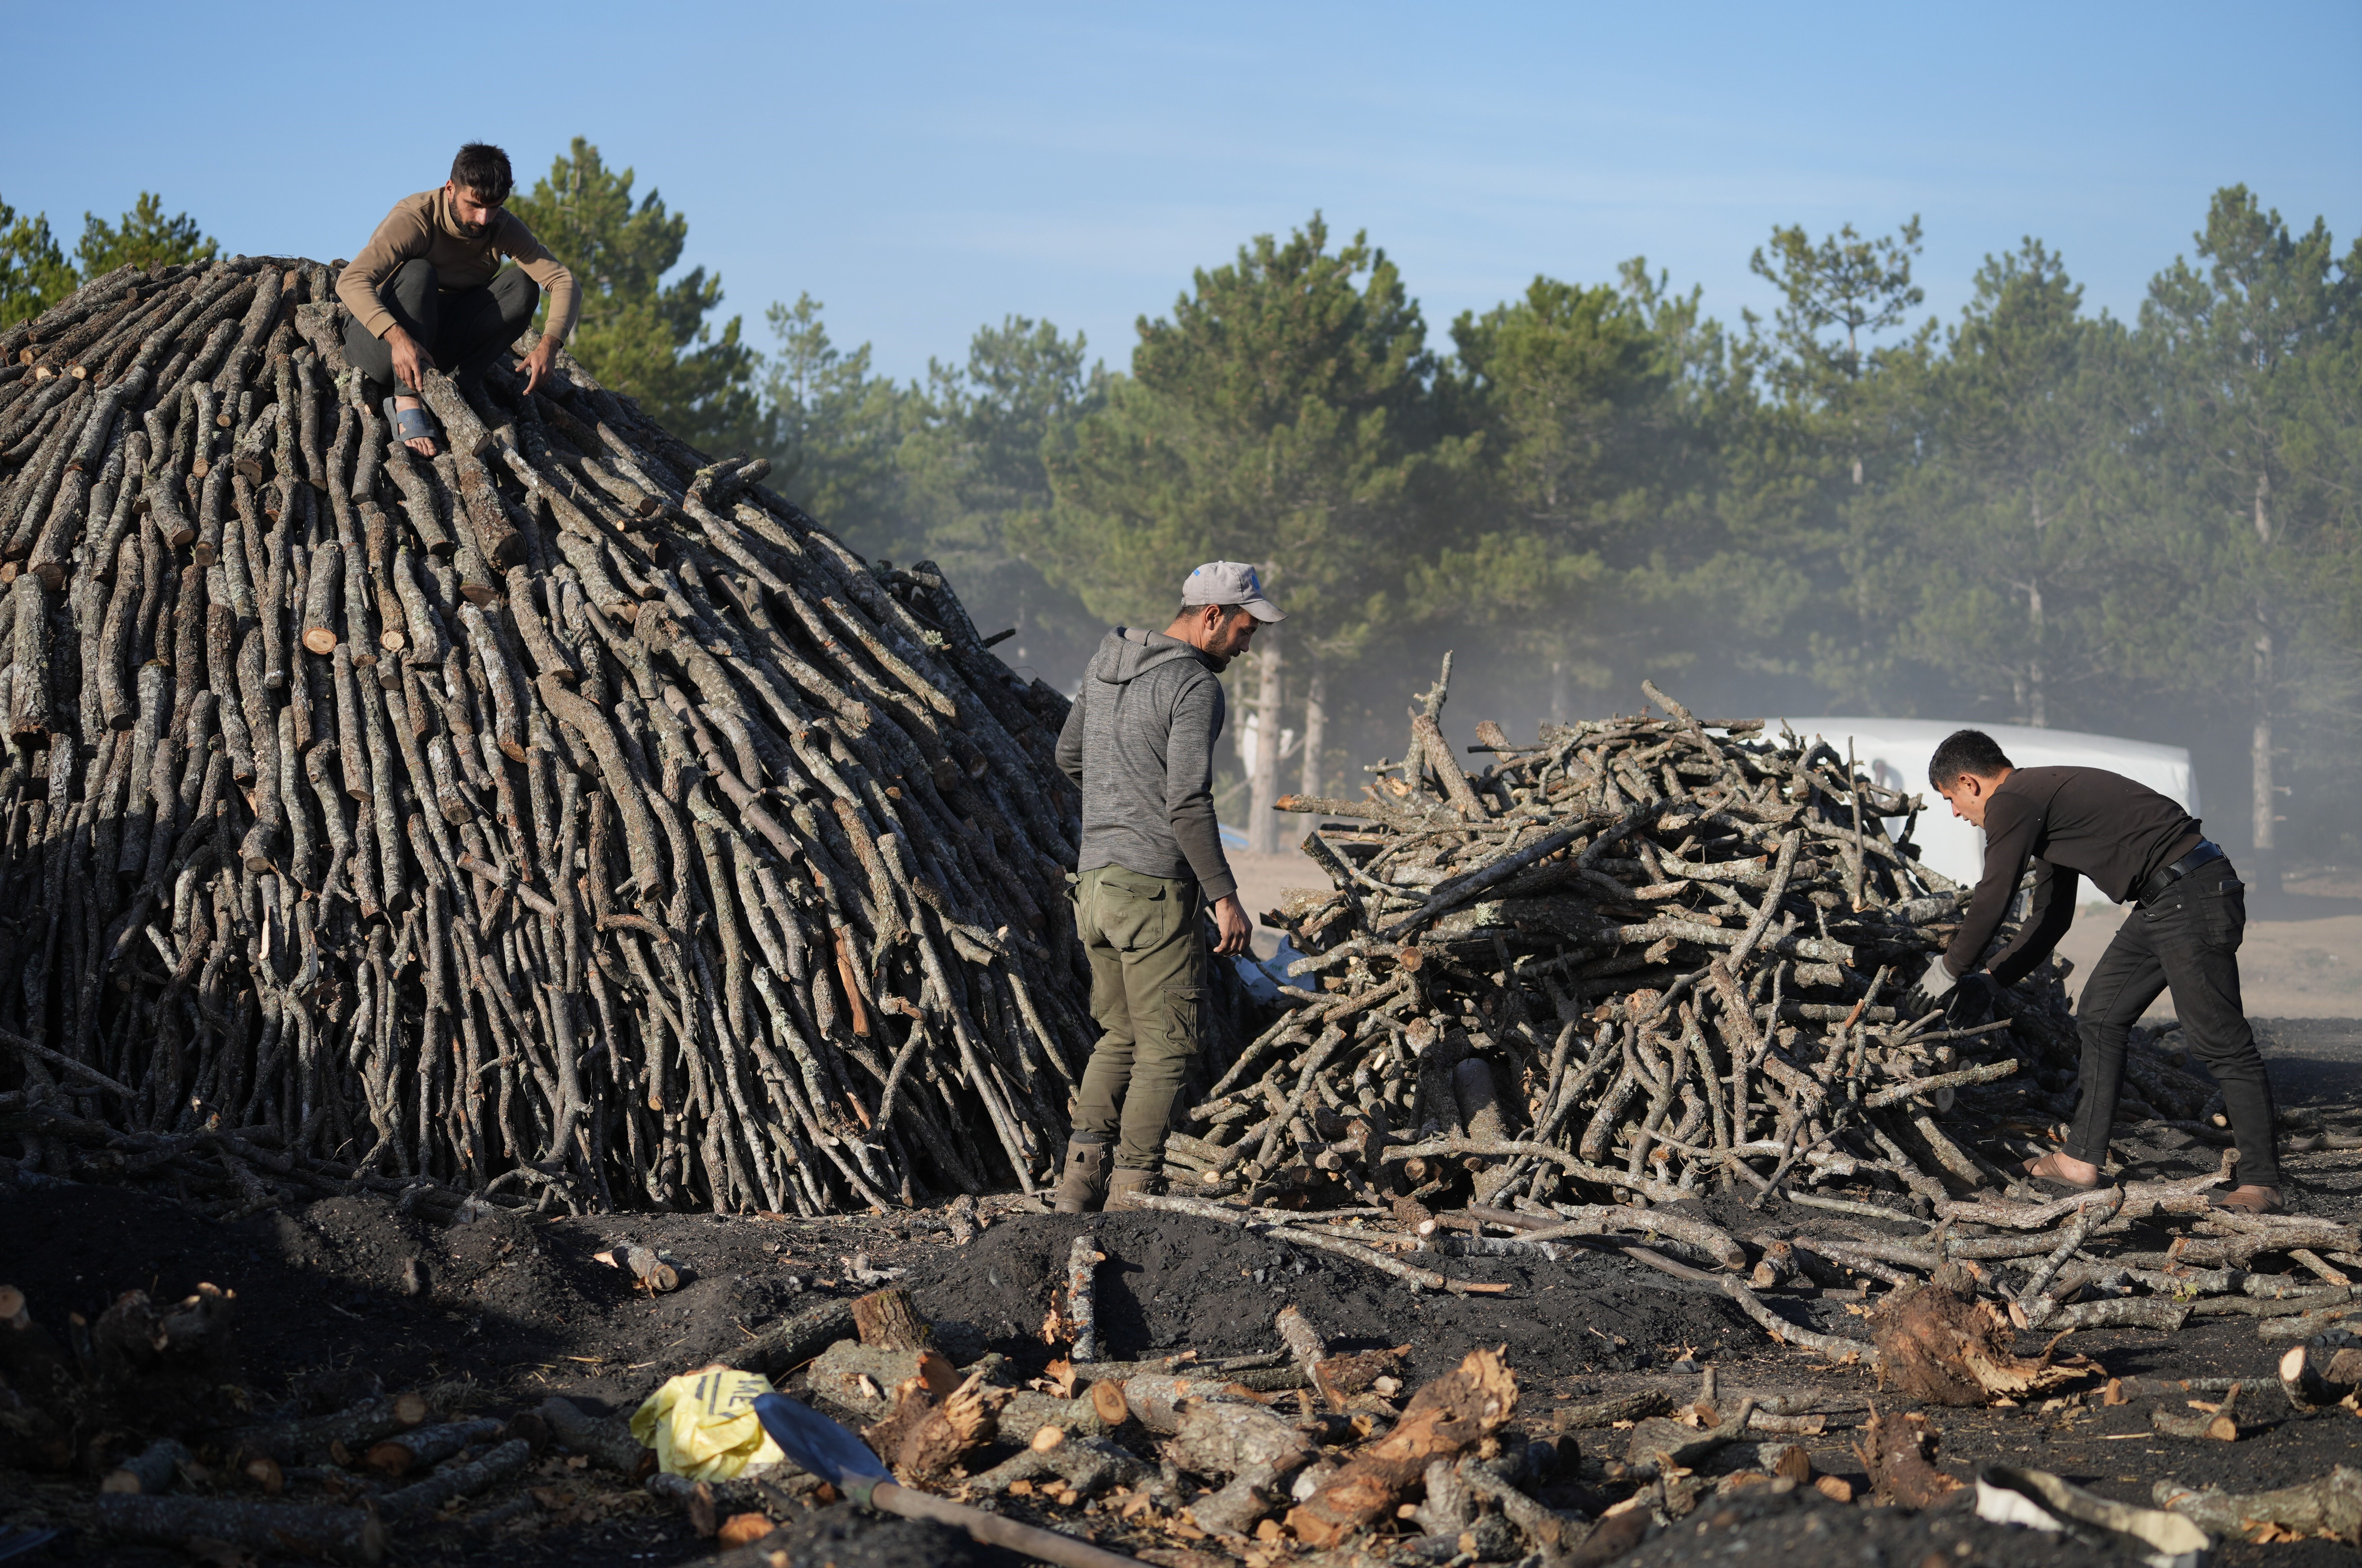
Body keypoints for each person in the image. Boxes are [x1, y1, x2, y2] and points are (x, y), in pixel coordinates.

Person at [1905, 729, 2281, 1213]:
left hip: (2193, 895)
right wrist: (1991, 979)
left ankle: (2263, 1181)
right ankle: (2080, 1160)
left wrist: (1949, 969)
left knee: (2220, 1040)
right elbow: (2050, 918)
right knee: (2101, 1014)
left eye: (1950, 800)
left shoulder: (2014, 802)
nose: (1956, 814)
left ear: (1968, 782)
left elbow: (1994, 895)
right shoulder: (2037, 804)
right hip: (2166, 899)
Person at [1049, 561, 1281, 1213]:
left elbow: (1068, 758)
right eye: (1242, 629)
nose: (1246, 645)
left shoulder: (1105, 661)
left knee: (1118, 1035)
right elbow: (1186, 799)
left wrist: (1114, 810)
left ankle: (1075, 1189)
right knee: (1168, 1045)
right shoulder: (1192, 687)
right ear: (1210, 617)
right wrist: (1224, 895)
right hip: (1152, 888)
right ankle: (1132, 1197)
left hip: (1094, 884)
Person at [336, 143, 579, 458]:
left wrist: (551, 344)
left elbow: (563, 280)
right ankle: (407, 398)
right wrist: (396, 336)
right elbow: (351, 281)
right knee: (420, 272)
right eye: (475, 205)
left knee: (523, 286)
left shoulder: (500, 226)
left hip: (437, 343)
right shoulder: (415, 218)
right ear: (451, 188)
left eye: (494, 207)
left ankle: (454, 388)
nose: (483, 218)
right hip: (377, 344)